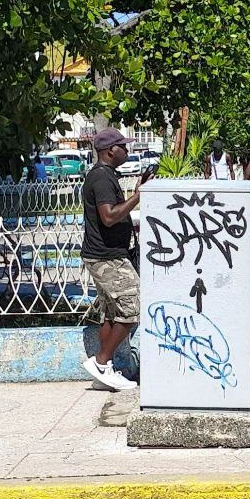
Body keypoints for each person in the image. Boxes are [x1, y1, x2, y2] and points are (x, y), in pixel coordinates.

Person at [81, 127, 147, 391]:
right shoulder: (101, 179)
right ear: (111, 150)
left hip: (105, 255)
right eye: (124, 147)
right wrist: (138, 197)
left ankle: (104, 370)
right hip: (107, 258)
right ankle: (101, 360)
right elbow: (109, 217)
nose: (127, 151)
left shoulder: (105, 176)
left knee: (112, 313)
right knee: (132, 309)